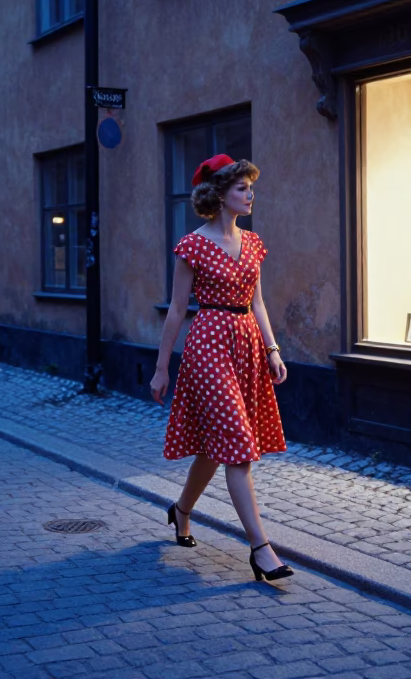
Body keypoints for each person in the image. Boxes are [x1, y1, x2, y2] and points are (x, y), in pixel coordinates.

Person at [150, 154, 293, 582]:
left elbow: (258, 302)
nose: (250, 194)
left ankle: (181, 511)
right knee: (237, 443)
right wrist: (162, 369)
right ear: (219, 194)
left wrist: (272, 349)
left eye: (250, 187)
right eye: (241, 188)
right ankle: (261, 549)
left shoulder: (253, 243)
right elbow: (177, 310)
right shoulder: (192, 245)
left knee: (217, 449)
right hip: (209, 344)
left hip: (246, 343)